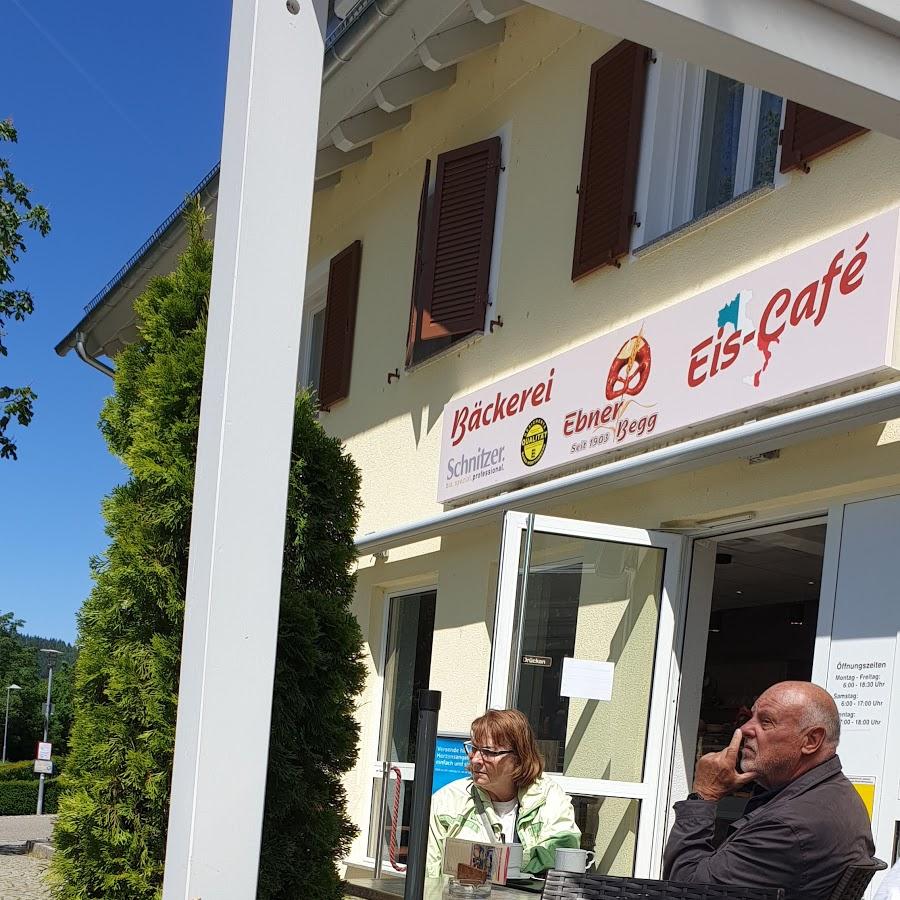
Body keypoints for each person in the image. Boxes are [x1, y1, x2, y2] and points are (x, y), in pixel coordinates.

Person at [664, 681, 875, 900]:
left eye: (766, 722)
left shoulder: (791, 825)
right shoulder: (832, 792)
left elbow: (684, 890)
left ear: (811, 741)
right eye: (751, 717)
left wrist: (704, 795)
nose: (744, 729)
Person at [426, 708, 580, 877]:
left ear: (519, 757)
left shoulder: (548, 795)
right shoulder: (446, 801)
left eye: (489, 752)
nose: (476, 759)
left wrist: (498, 863)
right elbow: (428, 875)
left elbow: (564, 852)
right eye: (474, 749)